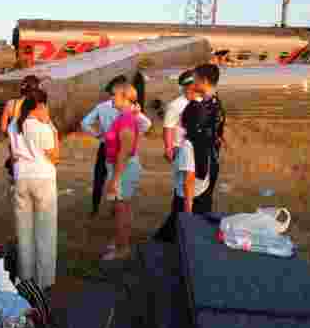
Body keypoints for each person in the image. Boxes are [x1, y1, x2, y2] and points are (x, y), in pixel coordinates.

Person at [8, 88, 60, 290]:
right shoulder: (41, 126)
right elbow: (55, 156)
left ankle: (25, 275)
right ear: (41, 105)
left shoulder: (14, 124)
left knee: (24, 230)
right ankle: (44, 279)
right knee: (45, 230)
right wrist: (51, 126)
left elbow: (13, 153)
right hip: (42, 176)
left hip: (22, 176)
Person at [82, 74, 152, 218]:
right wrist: (137, 136)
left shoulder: (103, 107)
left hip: (107, 145)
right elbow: (146, 124)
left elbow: (85, 123)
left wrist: (98, 135)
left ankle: (96, 208)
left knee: (100, 177)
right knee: (119, 181)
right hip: (123, 148)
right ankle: (116, 207)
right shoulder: (131, 109)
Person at [101, 84, 152, 260]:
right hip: (121, 167)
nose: (111, 98)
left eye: (114, 95)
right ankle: (120, 241)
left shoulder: (126, 119)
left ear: (124, 98)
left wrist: (115, 179)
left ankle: (122, 248)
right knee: (123, 208)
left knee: (121, 208)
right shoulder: (124, 117)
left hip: (123, 168)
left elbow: (125, 150)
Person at [154, 101, 214, 244]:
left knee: (181, 231)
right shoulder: (203, 135)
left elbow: (189, 179)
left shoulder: (188, 145)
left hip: (188, 197)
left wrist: (188, 209)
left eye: (182, 115)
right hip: (202, 191)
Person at [1, 75, 42, 191]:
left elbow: (4, 128)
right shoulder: (38, 105)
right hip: (34, 150)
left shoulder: (10, 104)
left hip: (15, 151)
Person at [192, 63, 226, 196]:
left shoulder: (211, 106)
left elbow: (205, 137)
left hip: (205, 163)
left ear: (204, 81)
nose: (193, 84)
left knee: (198, 206)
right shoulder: (209, 104)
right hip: (206, 161)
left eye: (195, 80)